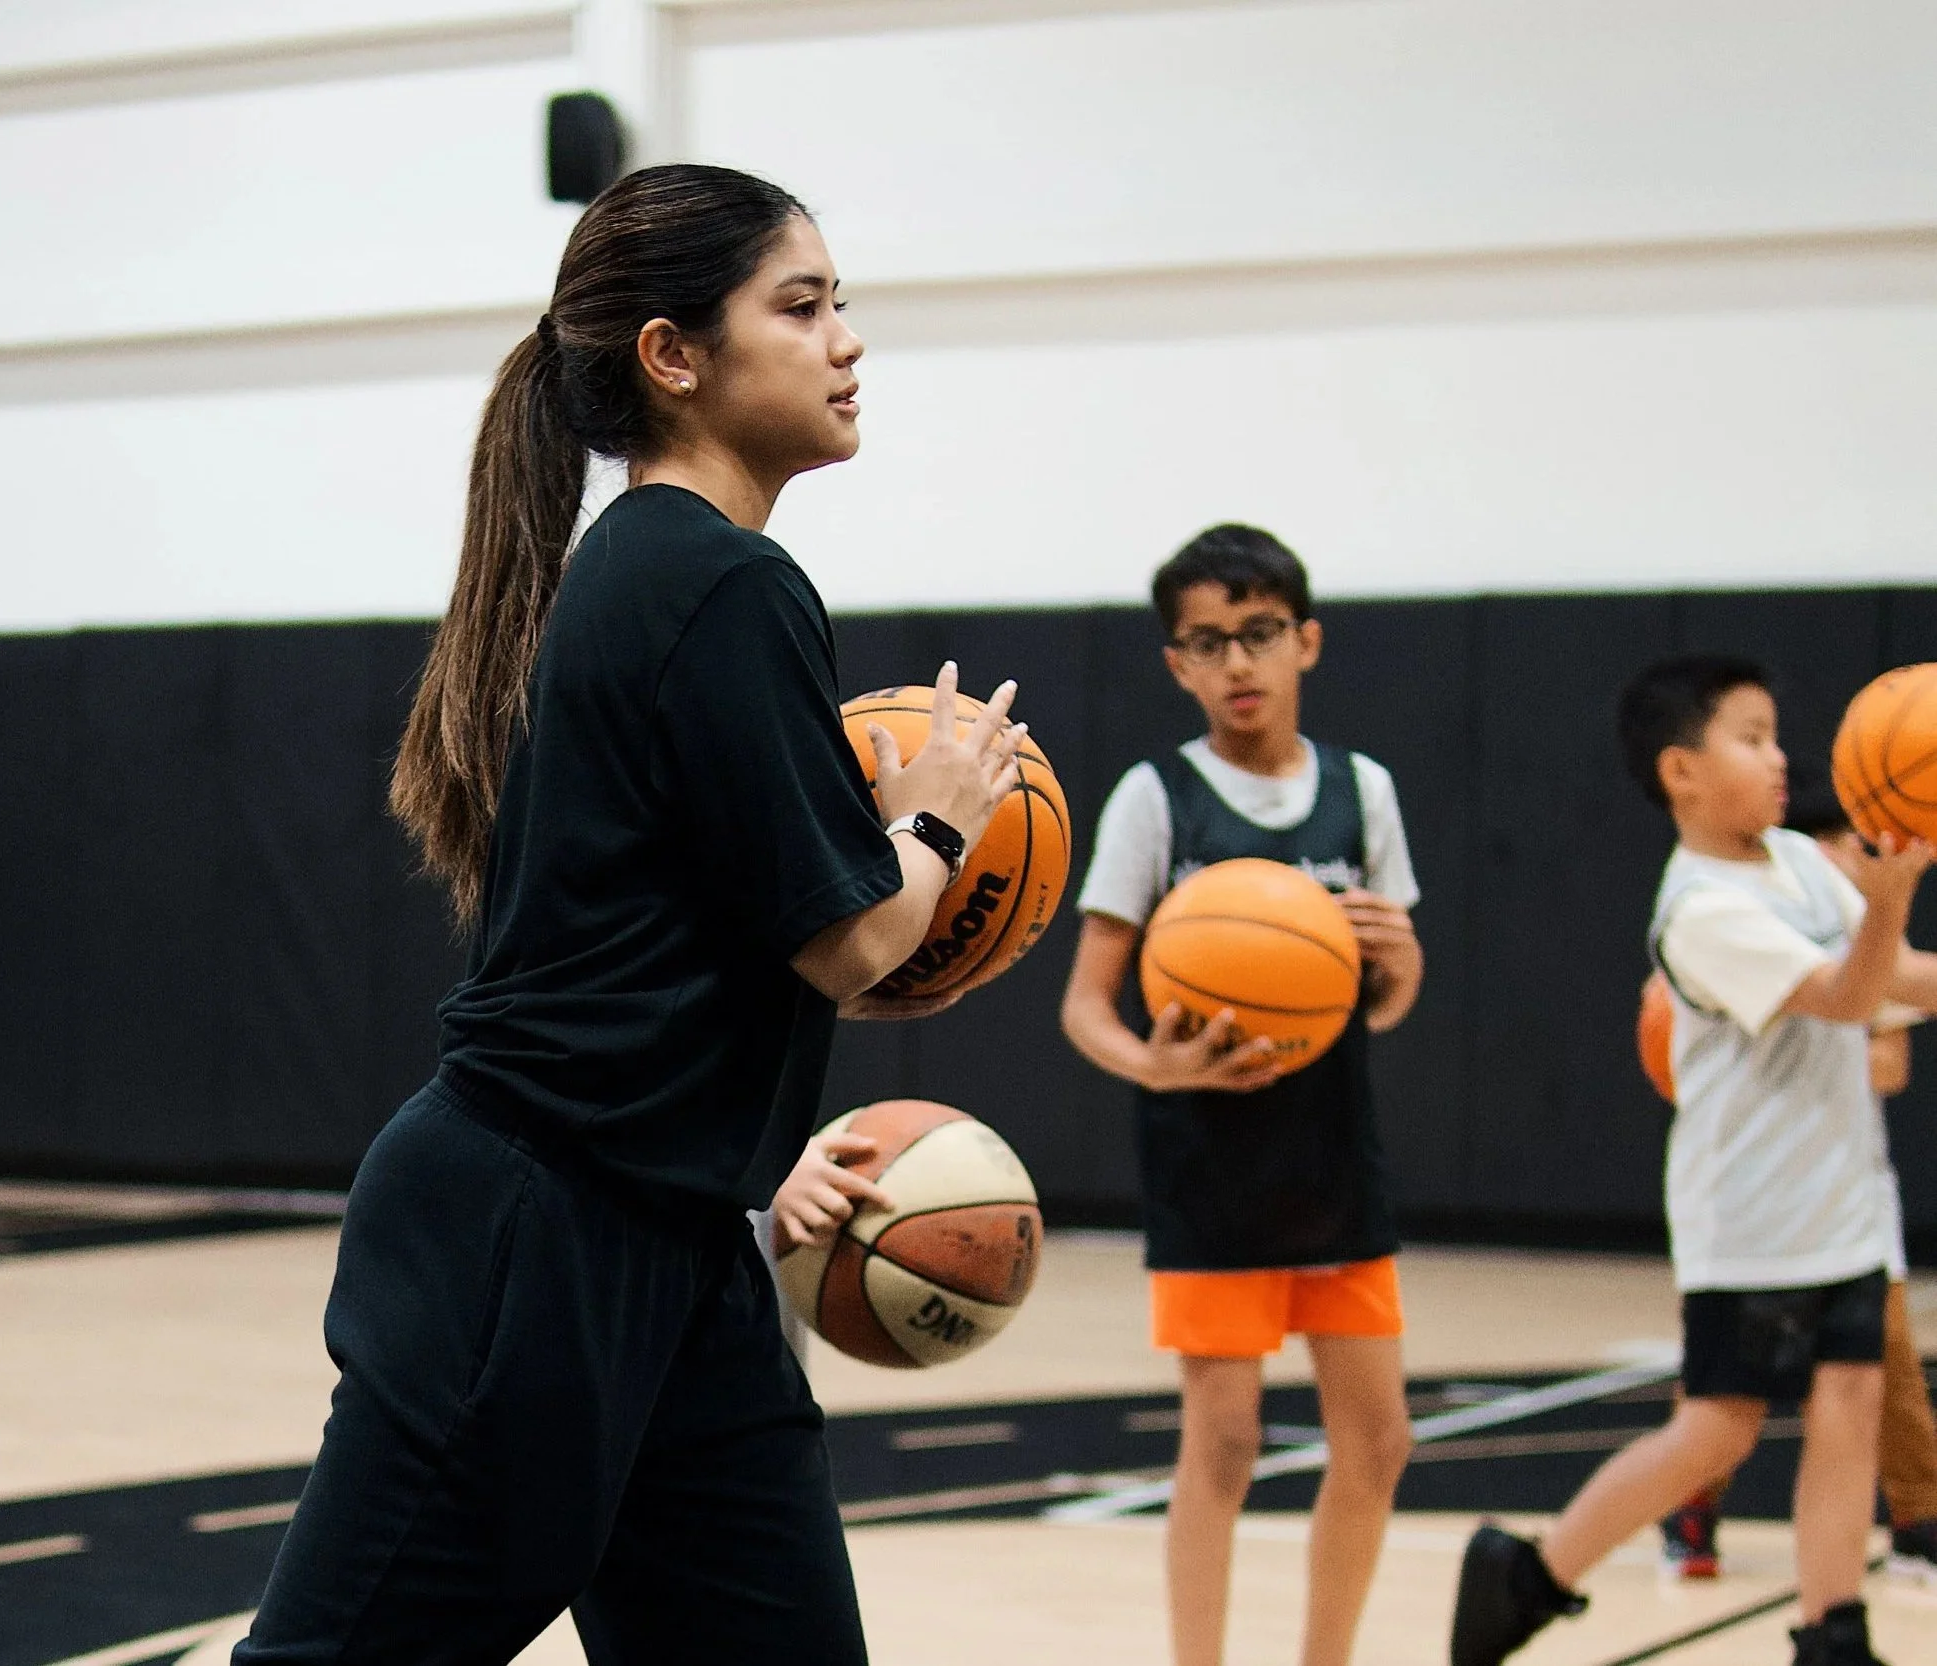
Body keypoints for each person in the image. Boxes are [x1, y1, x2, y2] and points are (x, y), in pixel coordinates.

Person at [232, 163, 1025, 1665]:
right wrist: (940, 810)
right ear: (675, 356)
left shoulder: (657, 573)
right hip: (534, 1238)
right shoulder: (715, 580)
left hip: (671, 1245)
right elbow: (852, 942)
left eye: (842, 302)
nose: (846, 338)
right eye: (801, 305)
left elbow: (760, 955)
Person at [1451, 656, 1937, 1666]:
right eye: (1750, 738)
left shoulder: (1801, 864)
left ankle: (1830, 1627)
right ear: (1681, 771)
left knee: (1848, 1404)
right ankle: (1532, 1572)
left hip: (1841, 1197)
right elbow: (1847, 995)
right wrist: (1891, 894)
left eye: (1774, 736)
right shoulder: (1697, 907)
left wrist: (1883, 910)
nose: (1778, 759)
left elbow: (1892, 979)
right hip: (1751, 1218)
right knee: (1717, 1430)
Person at [1058, 525, 1424, 1666]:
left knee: (1378, 1438)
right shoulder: (1153, 798)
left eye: (1259, 633)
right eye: (1207, 642)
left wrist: (1399, 961)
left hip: (1329, 1151)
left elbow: (1384, 998)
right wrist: (1152, 1062)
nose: (1237, 662)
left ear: (1305, 640)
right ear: (1176, 663)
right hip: (1208, 1157)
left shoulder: (1360, 791)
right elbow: (1084, 1006)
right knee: (1222, 1442)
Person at [1652, 786, 1937, 1586]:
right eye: (1841, 843)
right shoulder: (1726, 924)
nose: (1853, 858)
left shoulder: (1850, 930)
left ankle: (1906, 1535)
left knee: (1874, 1375)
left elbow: (1890, 1054)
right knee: (1725, 1406)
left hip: (1846, 1201)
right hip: (1761, 1205)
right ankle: (1669, 1515)